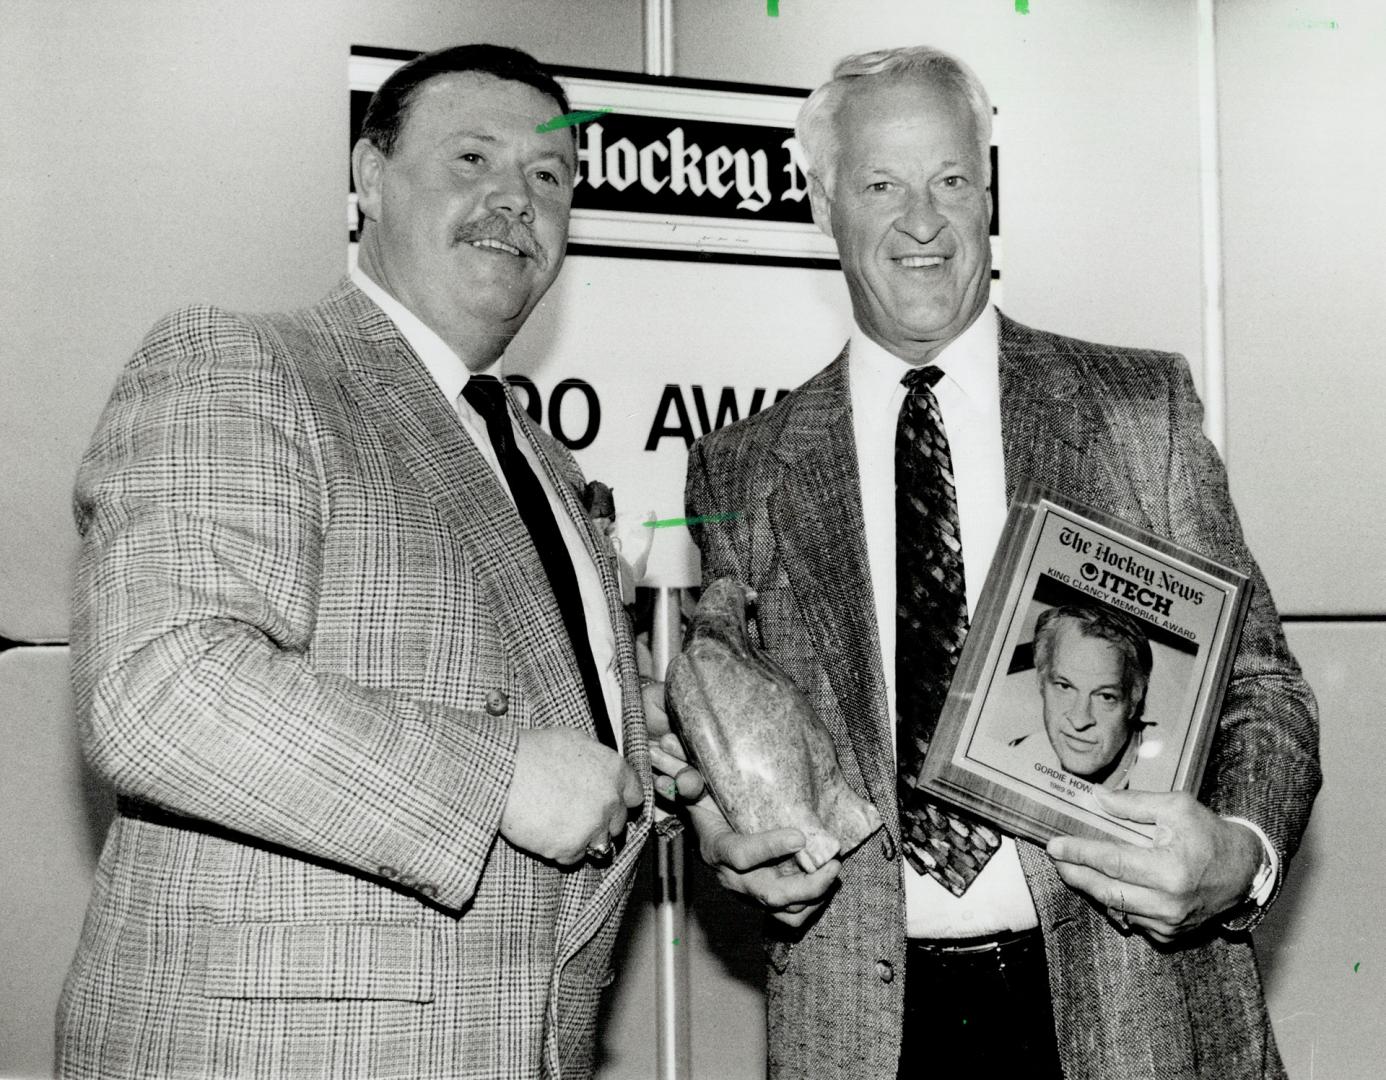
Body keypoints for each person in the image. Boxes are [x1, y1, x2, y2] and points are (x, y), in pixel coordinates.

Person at [651, 45, 1319, 1080]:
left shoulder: (1138, 409)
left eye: (952, 180)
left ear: (989, 191)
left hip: (1135, 1012)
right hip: (869, 1038)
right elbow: (734, 737)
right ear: (823, 200)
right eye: (881, 184)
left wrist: (1239, 851)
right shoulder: (743, 467)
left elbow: (1264, 689)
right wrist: (724, 834)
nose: (924, 221)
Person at [57, 44, 651, 1080]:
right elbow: (163, 688)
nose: (516, 199)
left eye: (550, 179)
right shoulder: (240, 360)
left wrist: (650, 756)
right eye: (472, 158)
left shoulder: (539, 459)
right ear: (369, 178)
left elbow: (538, 714)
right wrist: (498, 777)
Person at [1005, 603, 1154, 789]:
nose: (1079, 721)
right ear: (1041, 683)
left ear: (1133, 699)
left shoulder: (1167, 785)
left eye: (1106, 696)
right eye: (1064, 686)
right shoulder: (1020, 752)